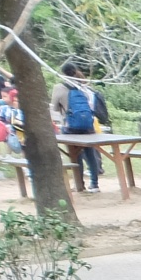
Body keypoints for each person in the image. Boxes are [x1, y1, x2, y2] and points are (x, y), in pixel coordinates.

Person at [52, 60, 101, 193]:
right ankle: (95, 184)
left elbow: (55, 108)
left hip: (70, 127)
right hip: (88, 125)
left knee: (75, 155)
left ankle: (79, 184)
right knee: (90, 154)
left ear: (63, 73)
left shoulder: (59, 87)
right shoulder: (84, 86)